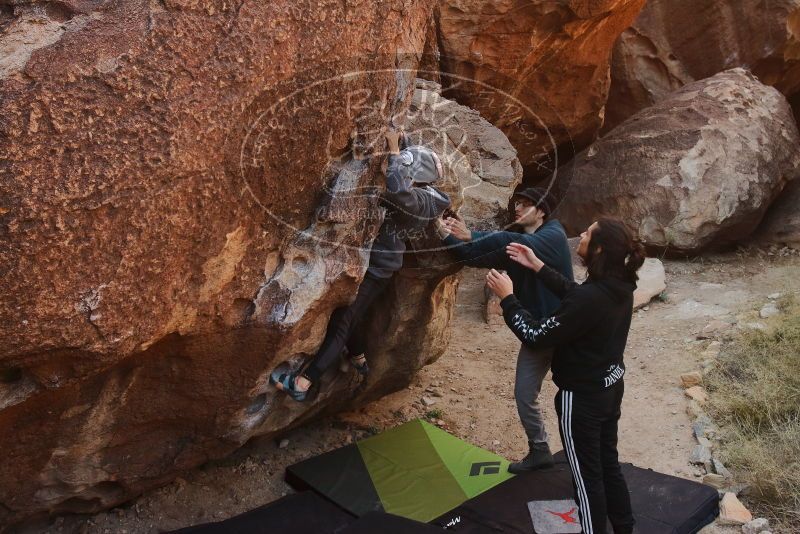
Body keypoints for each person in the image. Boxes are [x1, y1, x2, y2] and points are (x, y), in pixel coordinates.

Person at [485, 218, 645, 534]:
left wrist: (508, 298)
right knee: (608, 465)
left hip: (582, 400)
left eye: (587, 233)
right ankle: (625, 529)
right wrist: (538, 266)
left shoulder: (591, 298)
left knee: (587, 479)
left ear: (597, 249)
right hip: (610, 387)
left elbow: (534, 334)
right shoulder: (620, 285)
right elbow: (576, 294)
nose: (581, 234)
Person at [271, 130, 451, 401]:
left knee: (344, 321)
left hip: (378, 266)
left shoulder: (417, 202)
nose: (403, 164)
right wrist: (403, 141)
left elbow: (399, 189)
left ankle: (303, 382)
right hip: (379, 262)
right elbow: (414, 166)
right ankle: (357, 355)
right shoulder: (429, 192)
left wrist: (392, 150)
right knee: (351, 315)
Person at [437, 187, 573, 473]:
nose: (518, 209)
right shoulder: (520, 246)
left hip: (568, 331)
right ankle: (540, 450)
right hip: (537, 332)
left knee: (575, 392)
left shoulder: (554, 235)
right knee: (524, 393)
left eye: (525, 205)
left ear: (542, 211)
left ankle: (583, 453)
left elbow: (512, 241)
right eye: (517, 204)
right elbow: (475, 255)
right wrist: (457, 236)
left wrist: (461, 234)